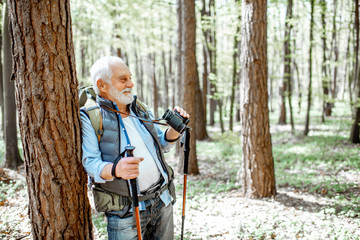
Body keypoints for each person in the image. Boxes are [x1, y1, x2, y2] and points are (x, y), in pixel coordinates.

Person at [80, 56, 189, 240]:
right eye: (123, 79)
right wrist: (116, 169)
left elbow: (161, 144)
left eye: (130, 78)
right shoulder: (91, 117)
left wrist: (174, 131)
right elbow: (90, 163)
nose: (131, 83)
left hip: (162, 200)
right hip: (126, 212)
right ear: (102, 84)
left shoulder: (140, 108)